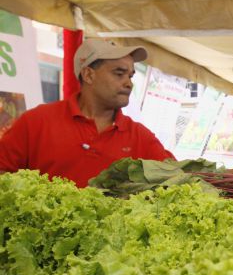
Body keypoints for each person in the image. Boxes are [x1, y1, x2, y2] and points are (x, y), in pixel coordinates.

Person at [0, 39, 174, 187]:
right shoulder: (37, 121)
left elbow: (177, 176)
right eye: (119, 73)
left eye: (130, 76)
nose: (129, 83)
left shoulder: (140, 137)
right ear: (89, 75)